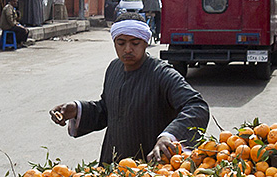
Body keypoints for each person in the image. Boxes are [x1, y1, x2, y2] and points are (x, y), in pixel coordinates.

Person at [49, 12, 210, 164]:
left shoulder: (162, 74)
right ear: (114, 43)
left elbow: (196, 106)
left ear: (146, 43)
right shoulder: (114, 68)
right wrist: (77, 109)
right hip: (113, 167)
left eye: (135, 43)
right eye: (121, 43)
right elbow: (107, 110)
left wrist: (169, 137)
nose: (127, 49)